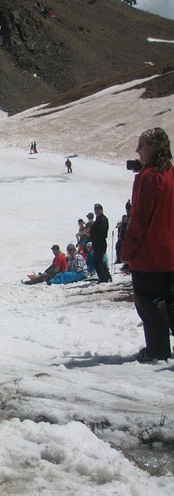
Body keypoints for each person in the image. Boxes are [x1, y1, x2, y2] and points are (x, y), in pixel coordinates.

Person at [120, 127, 174, 363]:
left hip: (149, 256)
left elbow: (139, 219)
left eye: (141, 146)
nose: (137, 150)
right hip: (170, 253)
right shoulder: (171, 173)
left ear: (152, 148)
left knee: (150, 305)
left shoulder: (148, 177)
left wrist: (127, 251)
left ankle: (157, 350)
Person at [90, 203, 112, 282]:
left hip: (100, 242)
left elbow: (101, 232)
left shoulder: (102, 219)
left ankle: (103, 278)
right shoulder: (99, 218)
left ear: (101, 210)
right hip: (97, 242)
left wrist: (92, 234)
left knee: (97, 261)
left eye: (98, 209)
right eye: (95, 210)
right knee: (99, 261)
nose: (96, 211)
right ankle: (106, 276)